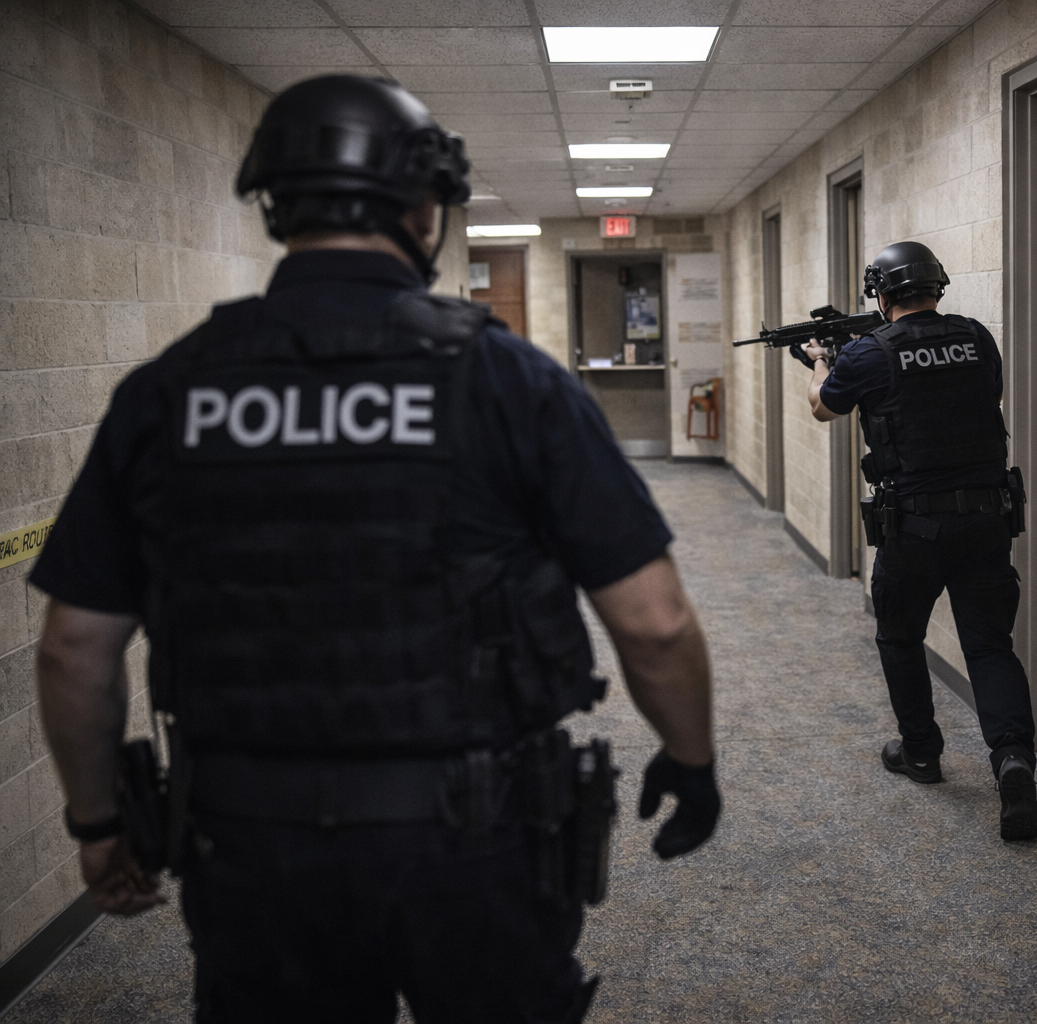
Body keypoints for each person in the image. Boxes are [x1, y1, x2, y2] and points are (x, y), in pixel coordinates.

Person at [31, 74, 722, 1024]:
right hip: (475, 837)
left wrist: (98, 821)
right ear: (423, 206)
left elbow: (73, 648)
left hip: (248, 840)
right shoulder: (510, 379)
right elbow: (654, 622)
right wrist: (692, 760)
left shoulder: (166, 392)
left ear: (274, 204)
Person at [800, 241, 1037, 841]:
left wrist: (820, 362)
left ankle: (922, 753)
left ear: (882, 295)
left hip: (913, 527)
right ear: (937, 286)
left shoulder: (868, 352)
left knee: (900, 637)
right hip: (986, 518)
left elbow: (823, 408)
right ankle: (1013, 759)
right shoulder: (977, 337)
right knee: (991, 647)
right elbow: (989, 397)